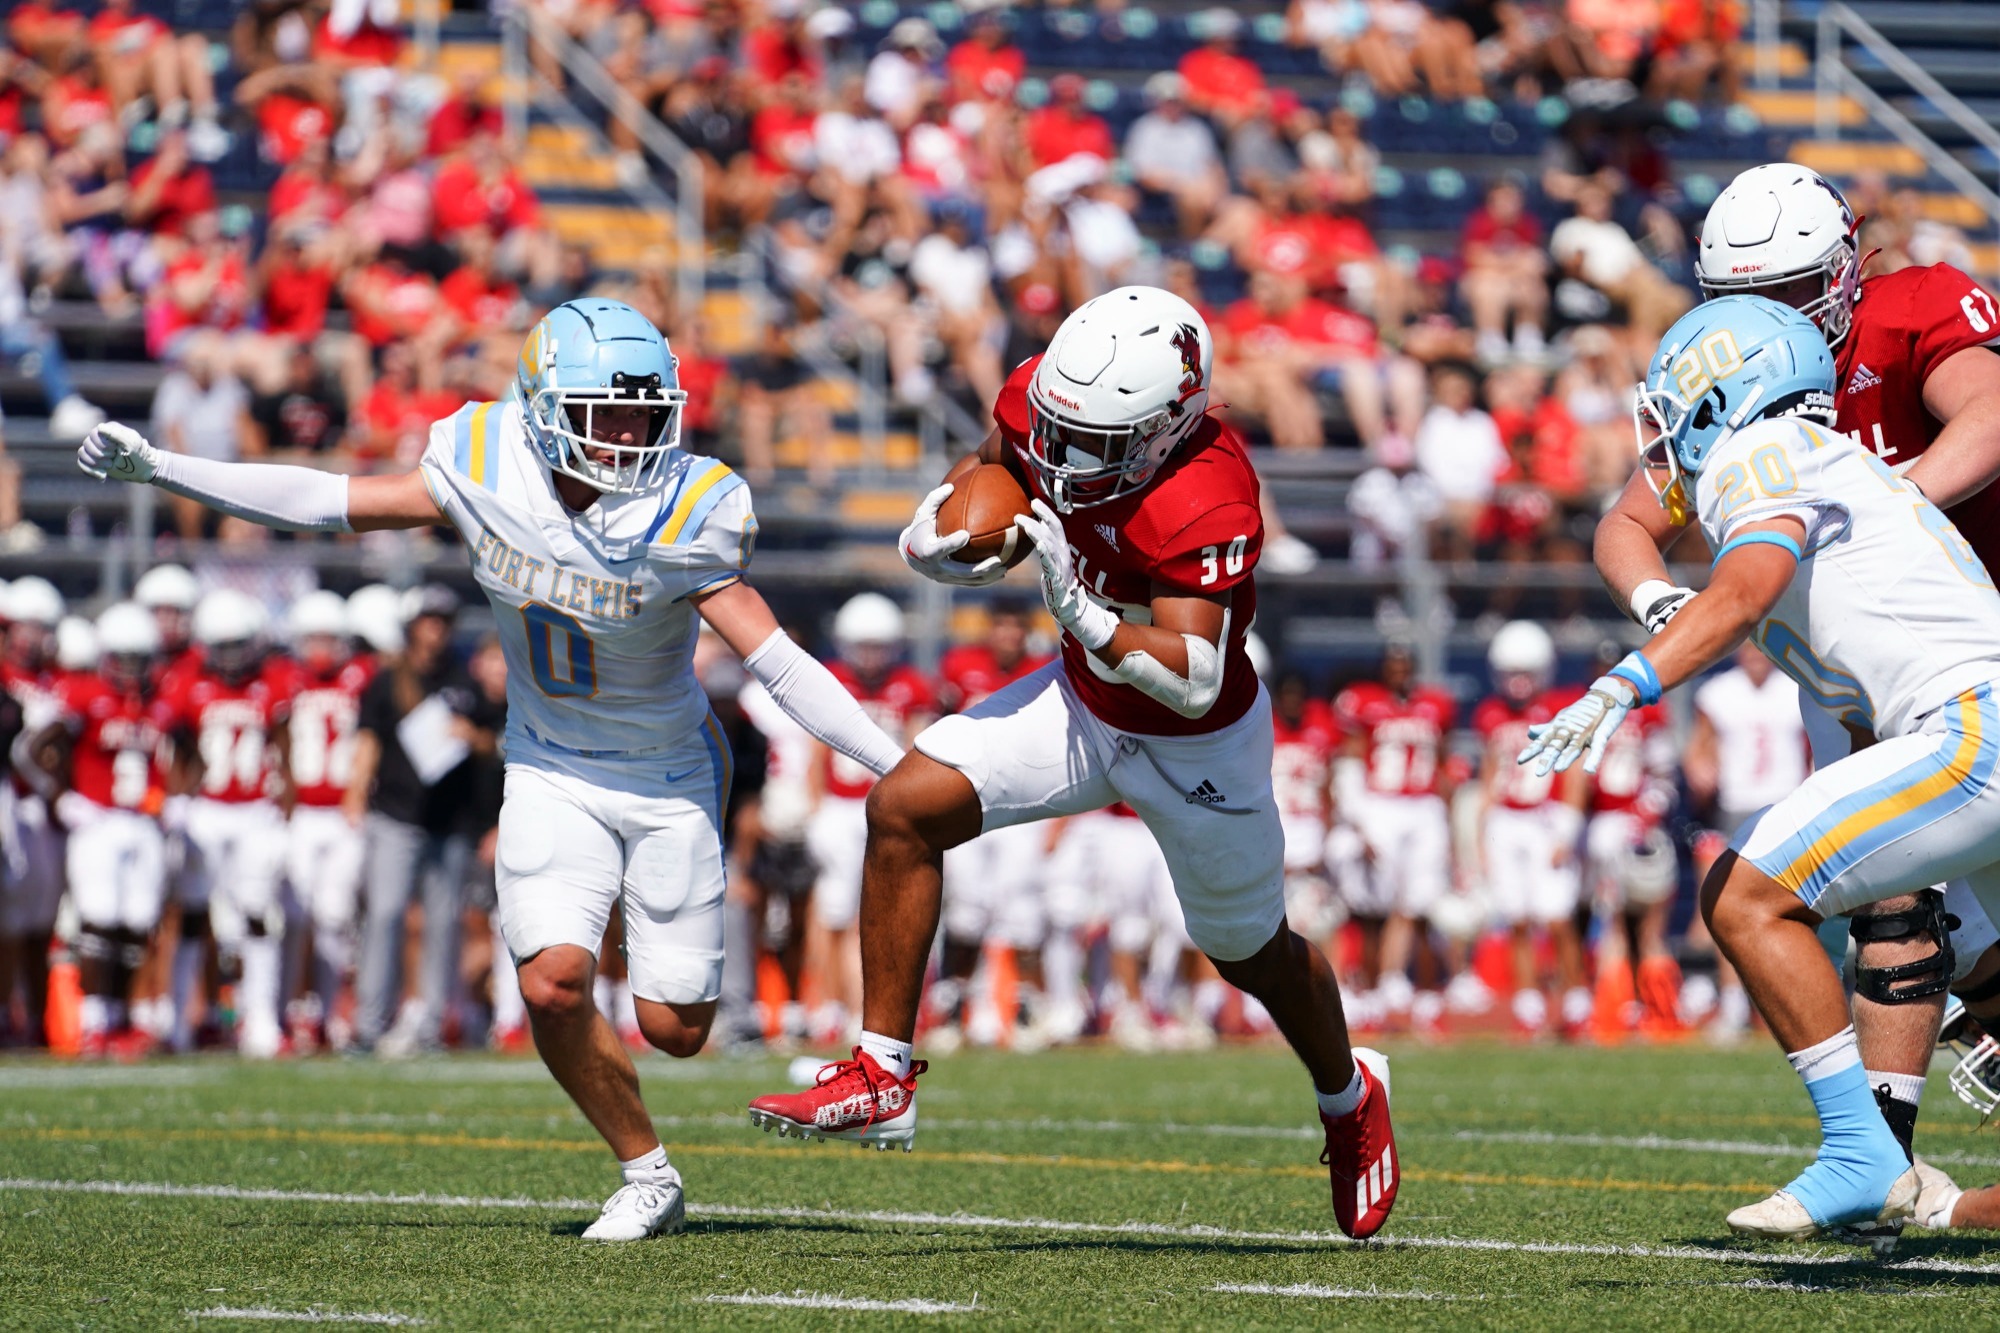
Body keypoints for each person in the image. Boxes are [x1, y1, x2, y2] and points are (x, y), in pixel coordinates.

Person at [76, 297, 906, 1242]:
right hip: (549, 761)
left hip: (669, 767)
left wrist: (899, 765)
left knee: (677, 1029)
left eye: (645, 412)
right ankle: (646, 1172)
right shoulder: (486, 464)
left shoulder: (688, 505)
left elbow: (779, 662)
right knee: (552, 981)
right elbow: (327, 499)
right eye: (607, 413)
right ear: (546, 410)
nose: (631, 435)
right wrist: (162, 465)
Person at [745, 286, 1400, 1241]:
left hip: (1195, 743)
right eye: (1057, 429)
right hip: (1083, 704)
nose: (1062, 456)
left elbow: (1193, 678)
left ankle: (1348, 1093)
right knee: (903, 809)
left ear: (1169, 427)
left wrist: (1085, 614)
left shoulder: (1209, 491)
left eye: (1094, 442)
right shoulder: (1048, 401)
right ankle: (882, 1075)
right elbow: (996, 464)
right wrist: (944, 528)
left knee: (1250, 953)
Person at [1521, 295, 2000, 1241]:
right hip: (1974, 718)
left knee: (1744, 896)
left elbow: (1744, 590)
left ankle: (1864, 1152)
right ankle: (1922, 1190)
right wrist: (1666, 610)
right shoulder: (1826, 456)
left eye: (1671, 406)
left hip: (1972, 726)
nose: (1660, 433)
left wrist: (1625, 682)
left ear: (1720, 396)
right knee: (1986, 963)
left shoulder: (1760, 454)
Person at [29, 602, 170, 1058]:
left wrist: (175, 797)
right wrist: (61, 797)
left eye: (139, 659)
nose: (131, 669)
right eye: (123, 659)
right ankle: (93, 1020)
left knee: (137, 921)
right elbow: (29, 750)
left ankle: (120, 1016)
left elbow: (187, 752)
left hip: (141, 821)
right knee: (99, 919)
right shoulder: (84, 693)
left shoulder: (158, 701)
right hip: (97, 820)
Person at [158, 588, 295, 1058]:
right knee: (194, 913)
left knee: (259, 913)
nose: (233, 657)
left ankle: (261, 1020)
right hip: (207, 809)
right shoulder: (188, 680)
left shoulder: (271, 680)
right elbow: (178, 747)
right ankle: (179, 1019)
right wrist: (177, 800)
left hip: (256, 809)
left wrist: (287, 807)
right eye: (224, 647)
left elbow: (285, 747)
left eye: (239, 646)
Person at [804, 594, 934, 1045]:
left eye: (879, 645)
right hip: (840, 807)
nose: (871, 655)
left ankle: (863, 1009)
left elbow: (917, 749)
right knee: (834, 912)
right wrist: (816, 807)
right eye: (863, 645)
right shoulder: (833, 680)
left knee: (877, 912)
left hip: (886, 808)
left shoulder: (910, 685)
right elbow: (816, 750)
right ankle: (829, 1005)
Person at [1333, 641, 1458, 1031]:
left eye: (1405, 665)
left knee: (1421, 901)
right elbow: (1352, 758)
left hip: (1423, 805)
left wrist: (1448, 817)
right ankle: (1373, 986)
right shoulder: (1365, 702)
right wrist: (1358, 818)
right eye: (1393, 665)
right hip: (1381, 803)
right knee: (1375, 903)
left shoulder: (1435, 704)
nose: (1399, 672)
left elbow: (1443, 762)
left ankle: (1413, 986)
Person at [1475, 621, 1588, 1036]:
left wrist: (1567, 831)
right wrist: (1479, 836)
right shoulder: (1491, 713)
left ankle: (1575, 996)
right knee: (1517, 918)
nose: (1518, 682)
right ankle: (1528, 999)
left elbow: (1575, 774)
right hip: (1506, 819)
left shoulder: (1562, 708)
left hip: (1546, 818)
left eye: (1525, 672)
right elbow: (1489, 775)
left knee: (1556, 917)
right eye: (1511, 673)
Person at [278, 590, 374, 1053]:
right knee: (295, 917)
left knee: (335, 916)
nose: (320, 648)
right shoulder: (283, 679)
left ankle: (331, 1010)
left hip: (342, 813)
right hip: (299, 814)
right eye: (312, 638)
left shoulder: (361, 677)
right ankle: (291, 1010)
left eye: (328, 638)